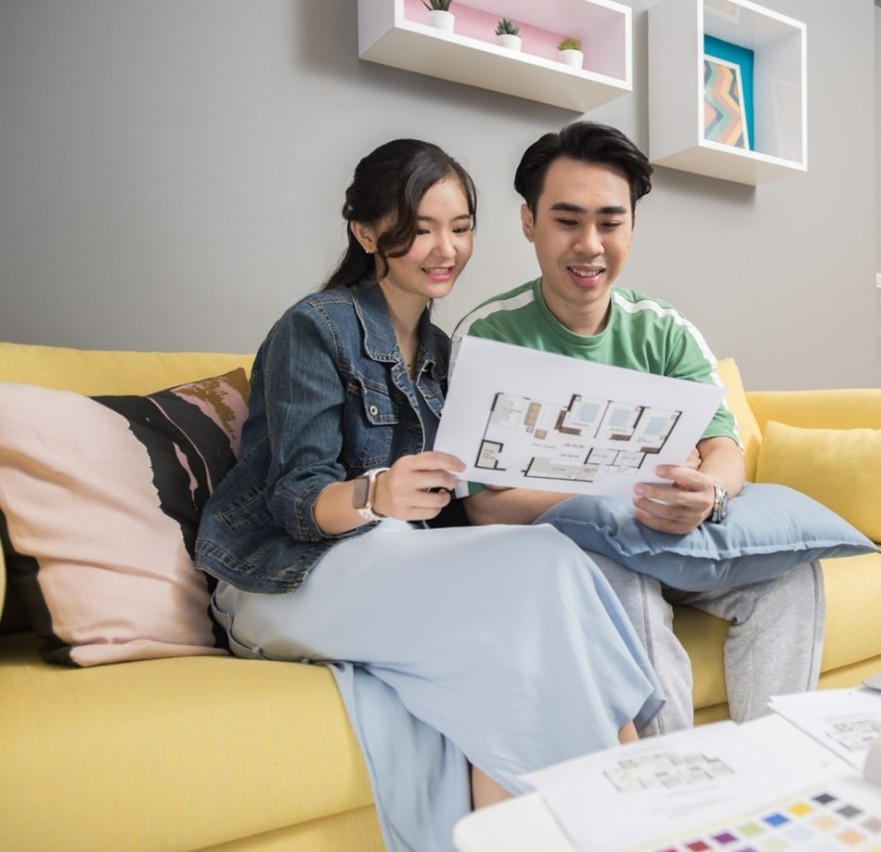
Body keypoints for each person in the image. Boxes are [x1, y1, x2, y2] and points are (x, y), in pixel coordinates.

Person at [193, 139, 663, 852]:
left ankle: (620, 804)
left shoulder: (449, 358)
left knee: (542, 575)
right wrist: (378, 493)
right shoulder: (315, 328)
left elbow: (460, 515)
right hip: (282, 579)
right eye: (419, 227)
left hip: (389, 572)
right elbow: (295, 501)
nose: (443, 248)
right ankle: (629, 806)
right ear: (366, 232)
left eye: (461, 227)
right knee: (534, 571)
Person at [452, 121, 825, 735]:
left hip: (669, 538)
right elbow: (485, 509)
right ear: (529, 223)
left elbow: (723, 447)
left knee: (789, 576)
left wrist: (711, 495)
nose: (590, 245)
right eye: (567, 221)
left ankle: (774, 771)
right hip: (577, 551)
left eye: (610, 222)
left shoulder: (665, 329)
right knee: (621, 582)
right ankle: (672, 790)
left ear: (632, 225)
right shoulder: (488, 335)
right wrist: (613, 500)